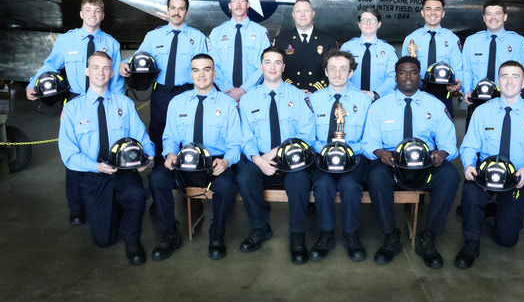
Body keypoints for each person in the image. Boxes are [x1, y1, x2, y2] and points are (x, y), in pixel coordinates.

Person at [27, 0, 124, 226]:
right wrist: (33, 83)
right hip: (74, 103)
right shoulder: (67, 40)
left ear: (102, 15)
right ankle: (76, 208)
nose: (92, 14)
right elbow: (50, 65)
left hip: (103, 102)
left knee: (104, 148)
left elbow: (117, 80)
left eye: (97, 11)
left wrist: (119, 107)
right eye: (88, 10)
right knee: (73, 153)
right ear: (81, 14)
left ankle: (108, 198)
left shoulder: (111, 44)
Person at [58, 51, 154, 265]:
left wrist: (149, 157)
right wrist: (96, 167)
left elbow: (142, 137)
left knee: (137, 195)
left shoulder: (125, 104)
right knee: (104, 240)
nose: (100, 73)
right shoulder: (73, 108)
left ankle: (132, 239)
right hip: (92, 175)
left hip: (123, 172)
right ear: (87, 71)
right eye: (95, 67)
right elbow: (68, 153)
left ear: (111, 73)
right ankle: (113, 209)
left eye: (105, 68)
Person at [454, 60, 524, 269]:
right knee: (471, 194)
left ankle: (498, 210)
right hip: (484, 176)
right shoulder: (482, 112)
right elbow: (469, 146)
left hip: (516, 179)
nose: (509, 81)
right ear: (498, 82)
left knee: (506, 240)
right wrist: (469, 165)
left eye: (515, 76)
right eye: (504, 76)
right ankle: (471, 242)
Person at [363, 56, 460, 267]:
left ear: (420, 76)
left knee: (450, 176)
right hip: (392, 165)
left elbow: (449, 143)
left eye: (413, 72)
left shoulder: (435, 105)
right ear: (396, 76)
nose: (408, 76)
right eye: (403, 72)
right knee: (376, 176)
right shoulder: (380, 106)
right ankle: (391, 237)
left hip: (425, 166)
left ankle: (429, 238)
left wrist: (442, 153)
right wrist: (379, 152)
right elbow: (368, 142)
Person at [148, 54, 242, 261]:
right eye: (196, 70)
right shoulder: (177, 102)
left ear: (214, 73)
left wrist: (226, 161)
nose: (201, 74)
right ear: (191, 74)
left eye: (206, 69)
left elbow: (235, 142)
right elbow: (170, 136)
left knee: (226, 186)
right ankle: (170, 233)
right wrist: (170, 154)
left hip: (214, 162)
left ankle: (217, 234)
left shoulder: (227, 104)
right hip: (184, 161)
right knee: (156, 179)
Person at [236, 46, 316, 265]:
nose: (272, 67)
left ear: (283, 67)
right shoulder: (249, 99)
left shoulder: (297, 96)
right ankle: (260, 228)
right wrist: (257, 159)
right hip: (260, 159)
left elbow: (307, 132)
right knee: (244, 176)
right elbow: (244, 134)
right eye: (268, 62)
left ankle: (297, 236)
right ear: (261, 67)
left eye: (277, 62)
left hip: (292, 158)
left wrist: (280, 151)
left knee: (299, 180)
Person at [119, 0, 208, 162]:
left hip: (188, 93)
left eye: (181, 9)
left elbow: (207, 64)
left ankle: (185, 173)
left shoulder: (197, 38)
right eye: (173, 8)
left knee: (186, 131)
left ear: (186, 12)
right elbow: (139, 56)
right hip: (161, 93)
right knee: (158, 131)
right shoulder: (154, 36)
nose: (176, 12)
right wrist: (124, 63)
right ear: (167, 10)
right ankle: (160, 170)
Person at [308, 50, 371, 262]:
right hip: (321, 158)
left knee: (351, 186)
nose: (338, 73)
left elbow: (370, 138)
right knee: (323, 185)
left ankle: (351, 234)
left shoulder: (363, 101)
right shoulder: (313, 101)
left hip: (353, 159)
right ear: (325, 71)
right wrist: (325, 150)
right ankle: (326, 234)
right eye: (333, 68)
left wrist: (349, 151)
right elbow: (307, 136)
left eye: (343, 68)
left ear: (351, 72)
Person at [462, 0, 524, 129]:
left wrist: (513, 92)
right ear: (484, 18)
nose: (493, 18)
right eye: (488, 14)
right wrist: (466, 91)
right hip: (478, 102)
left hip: (506, 102)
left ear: (505, 16)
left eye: (497, 13)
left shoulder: (518, 42)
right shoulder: (472, 41)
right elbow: (466, 70)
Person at [401, 0, 463, 116]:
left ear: (443, 13)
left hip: (444, 94)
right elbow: (403, 69)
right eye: (428, 9)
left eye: (437, 9)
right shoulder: (411, 39)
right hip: (417, 93)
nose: (433, 13)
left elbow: (458, 68)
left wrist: (459, 83)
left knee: (444, 132)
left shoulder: (452, 39)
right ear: (422, 13)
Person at [209, 0, 271, 102]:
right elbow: (212, 65)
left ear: (248, 4)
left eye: (242, 0)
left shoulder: (261, 32)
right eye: (234, 1)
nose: (238, 5)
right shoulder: (217, 33)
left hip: (253, 95)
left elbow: (265, 65)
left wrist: (243, 90)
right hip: (223, 95)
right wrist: (228, 90)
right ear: (229, 5)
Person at [273, 0, 337, 94]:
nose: (302, 14)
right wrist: (293, 90)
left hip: (319, 94)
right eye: (298, 11)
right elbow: (276, 69)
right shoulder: (281, 40)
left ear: (313, 14)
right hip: (289, 94)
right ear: (293, 15)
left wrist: (314, 90)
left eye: (306, 11)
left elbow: (334, 69)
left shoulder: (327, 41)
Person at [340, 8, 398, 101]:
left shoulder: (389, 50)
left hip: (380, 100)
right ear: (359, 24)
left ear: (379, 24)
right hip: (351, 99)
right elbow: (342, 74)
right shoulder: (347, 48)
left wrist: (375, 94)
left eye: (372, 20)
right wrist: (356, 94)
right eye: (364, 20)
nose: (368, 23)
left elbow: (393, 76)